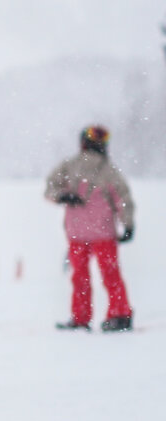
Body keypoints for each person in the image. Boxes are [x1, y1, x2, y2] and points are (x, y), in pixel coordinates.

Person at [45, 125, 135, 332]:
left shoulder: (69, 166)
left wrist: (62, 196)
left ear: (83, 143)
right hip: (104, 234)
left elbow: (51, 187)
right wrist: (128, 224)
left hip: (77, 234)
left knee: (80, 278)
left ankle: (80, 318)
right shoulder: (108, 170)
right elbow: (122, 199)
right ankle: (120, 314)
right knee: (111, 275)